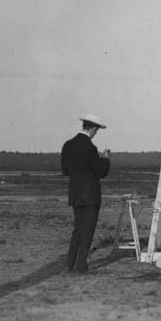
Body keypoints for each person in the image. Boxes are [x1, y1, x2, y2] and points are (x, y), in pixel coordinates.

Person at [61, 113, 112, 274]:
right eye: (97, 130)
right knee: (87, 231)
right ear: (93, 129)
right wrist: (105, 159)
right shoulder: (90, 148)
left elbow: (65, 170)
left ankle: (70, 264)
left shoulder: (68, 145)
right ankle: (81, 265)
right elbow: (101, 171)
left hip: (75, 194)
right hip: (90, 195)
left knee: (78, 229)